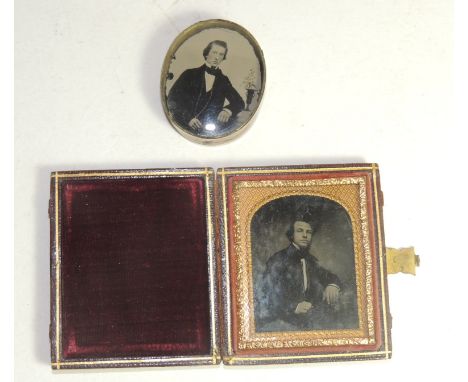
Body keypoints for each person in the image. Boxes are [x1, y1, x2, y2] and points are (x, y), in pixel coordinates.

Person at [258, 218, 342, 330]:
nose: (305, 235)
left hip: (308, 320)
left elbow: (329, 276)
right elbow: (268, 293)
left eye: (308, 232)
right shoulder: (278, 259)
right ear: (291, 235)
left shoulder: (310, 261)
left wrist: (333, 285)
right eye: (300, 231)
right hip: (282, 320)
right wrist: (294, 307)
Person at [167, 40, 245, 133]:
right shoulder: (189, 74)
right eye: (214, 52)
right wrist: (188, 118)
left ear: (223, 57)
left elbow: (239, 102)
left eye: (221, 54)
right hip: (183, 126)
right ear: (207, 53)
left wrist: (227, 110)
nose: (217, 57)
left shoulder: (223, 80)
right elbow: (172, 100)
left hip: (208, 131)